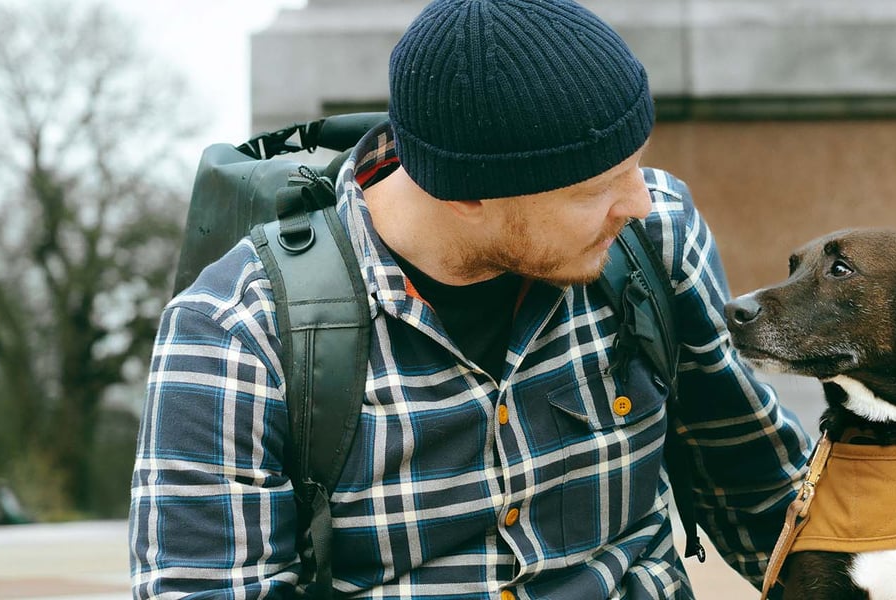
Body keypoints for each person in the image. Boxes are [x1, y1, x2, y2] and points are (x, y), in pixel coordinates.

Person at [129, 0, 811, 598]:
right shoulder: (237, 332)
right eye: (595, 188)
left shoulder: (654, 239)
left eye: (634, 165)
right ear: (467, 195)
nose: (638, 202)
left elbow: (761, 490)